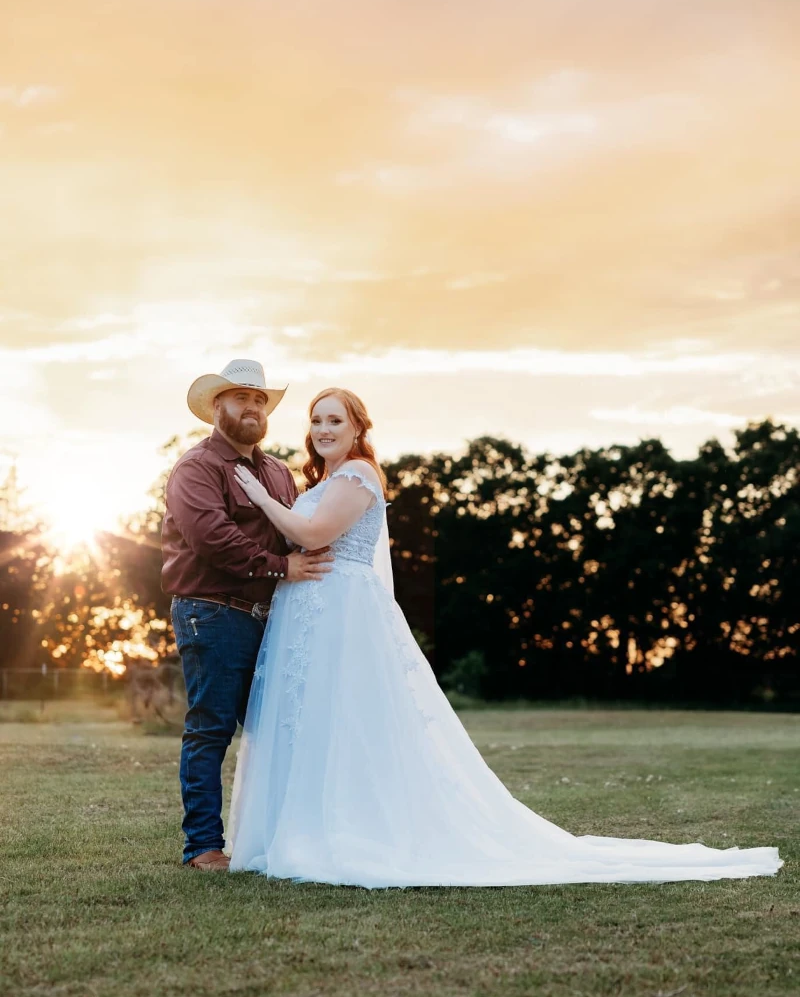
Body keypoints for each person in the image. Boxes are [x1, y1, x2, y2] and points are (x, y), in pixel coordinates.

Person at [227, 387, 783, 887]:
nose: (324, 429)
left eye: (335, 421)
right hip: (307, 611)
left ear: (357, 430)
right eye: (317, 420)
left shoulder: (359, 475)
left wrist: (259, 494)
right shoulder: (322, 481)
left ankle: (347, 833)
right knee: (310, 719)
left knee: (347, 719)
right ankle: (296, 830)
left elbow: (313, 532)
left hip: (343, 610)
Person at [161, 360, 333, 871]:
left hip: (271, 616)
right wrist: (282, 566)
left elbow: (299, 529)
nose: (252, 407)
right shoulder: (197, 468)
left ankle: (277, 836)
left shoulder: (279, 472)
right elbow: (212, 538)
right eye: (240, 398)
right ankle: (203, 847)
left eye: (260, 400)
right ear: (217, 408)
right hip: (213, 612)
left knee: (278, 727)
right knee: (211, 727)